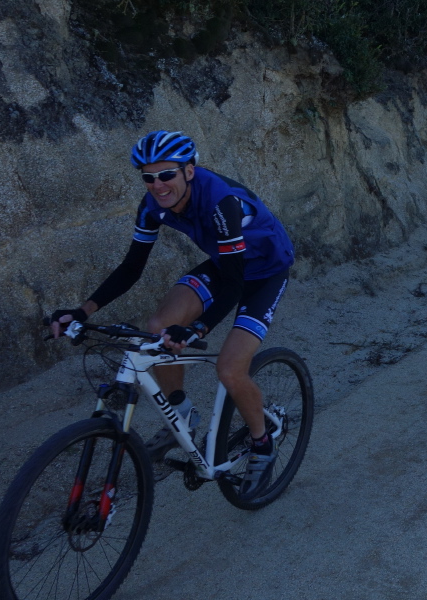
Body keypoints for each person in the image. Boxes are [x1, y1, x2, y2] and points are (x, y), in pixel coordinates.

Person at [49, 130, 295, 501]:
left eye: (167, 175)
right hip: (225, 264)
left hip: (264, 272)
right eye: (148, 177)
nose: (158, 184)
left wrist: (196, 328)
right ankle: (180, 411)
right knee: (158, 327)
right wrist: (82, 310)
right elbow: (132, 267)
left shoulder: (221, 204)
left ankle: (263, 444)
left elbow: (233, 286)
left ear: (189, 172)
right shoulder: (151, 206)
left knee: (229, 369)